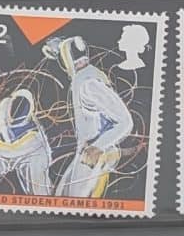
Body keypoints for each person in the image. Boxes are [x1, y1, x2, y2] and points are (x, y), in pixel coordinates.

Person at [44, 33, 134, 199]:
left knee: (73, 202)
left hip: (94, 155)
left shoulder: (89, 84)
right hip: (85, 152)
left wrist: (97, 146)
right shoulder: (83, 79)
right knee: (60, 195)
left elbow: (125, 122)